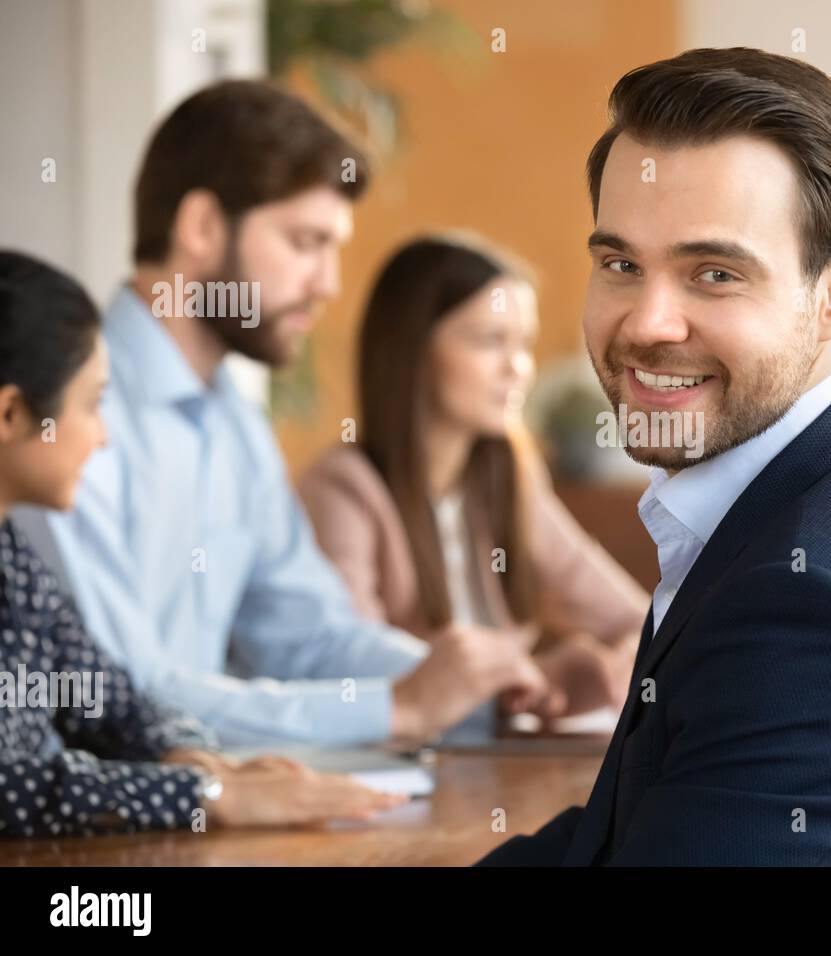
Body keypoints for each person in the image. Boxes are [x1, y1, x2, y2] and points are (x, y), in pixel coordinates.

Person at [477, 47, 831, 866]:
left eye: (715, 273)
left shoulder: (807, 612)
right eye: (622, 264)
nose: (650, 322)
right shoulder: (826, 491)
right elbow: (619, 835)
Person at [12, 80, 546, 749]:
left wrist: (492, 689)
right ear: (202, 227)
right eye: (305, 242)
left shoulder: (233, 422)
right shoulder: (65, 417)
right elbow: (122, 691)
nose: (326, 284)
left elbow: (309, 635)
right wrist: (395, 710)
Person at [0, 251, 406, 837]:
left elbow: (117, 703)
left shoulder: (13, 557)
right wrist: (203, 795)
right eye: (92, 406)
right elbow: (10, 788)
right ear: (12, 414)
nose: (104, 436)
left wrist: (196, 761)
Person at [299, 235, 648, 743]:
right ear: (412, 350)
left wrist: (613, 665)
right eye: (489, 341)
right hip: (404, 771)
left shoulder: (509, 477)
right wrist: (532, 676)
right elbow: (349, 665)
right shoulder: (342, 488)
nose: (518, 368)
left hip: (489, 761)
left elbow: (636, 618)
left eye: (523, 344)